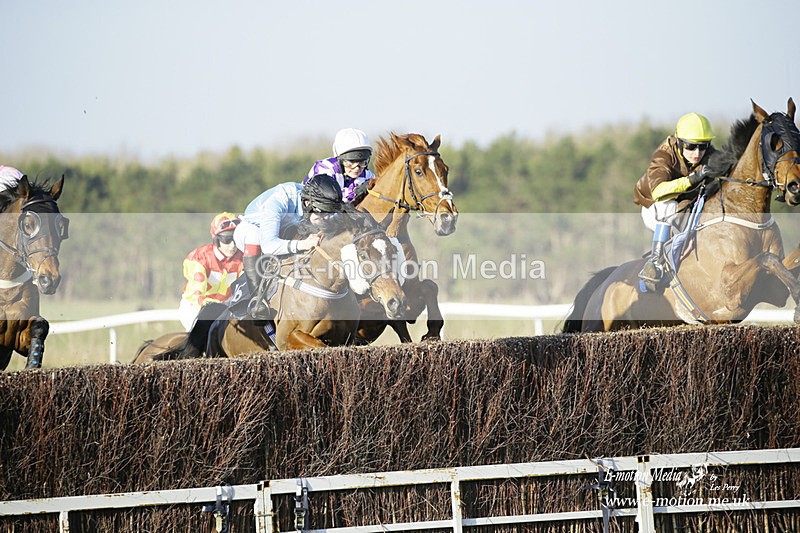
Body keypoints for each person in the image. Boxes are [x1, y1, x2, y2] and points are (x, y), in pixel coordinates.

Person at [233, 173, 346, 319]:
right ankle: (256, 301)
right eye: (322, 212)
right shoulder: (279, 201)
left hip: (287, 226)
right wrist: (303, 244)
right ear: (307, 203)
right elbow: (269, 246)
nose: (326, 216)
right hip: (253, 229)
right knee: (254, 235)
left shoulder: (316, 202)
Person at [633, 112, 717, 291]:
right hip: (654, 208)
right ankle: (655, 264)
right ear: (679, 141)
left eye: (703, 147)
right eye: (691, 146)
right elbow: (658, 192)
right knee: (668, 205)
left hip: (686, 206)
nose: (697, 153)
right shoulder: (663, 156)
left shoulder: (707, 153)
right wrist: (693, 179)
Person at [178, 212, 244, 330]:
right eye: (227, 239)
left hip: (225, 307)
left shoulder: (243, 257)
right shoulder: (200, 258)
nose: (232, 245)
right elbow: (199, 296)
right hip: (194, 307)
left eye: (236, 239)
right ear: (216, 239)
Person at [304, 128, 376, 203]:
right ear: (340, 160)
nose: (357, 168)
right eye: (351, 162)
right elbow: (329, 197)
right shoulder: (324, 168)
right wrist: (356, 192)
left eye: (362, 162)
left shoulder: (367, 175)